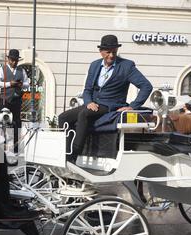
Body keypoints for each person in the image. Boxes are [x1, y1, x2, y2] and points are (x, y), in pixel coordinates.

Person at [58, 34, 153, 162]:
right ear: (101, 52)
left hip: (111, 104)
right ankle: (65, 150)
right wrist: (89, 102)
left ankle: (74, 155)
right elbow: (87, 90)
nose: (112, 56)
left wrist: (132, 106)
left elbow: (146, 86)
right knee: (63, 117)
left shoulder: (127, 66)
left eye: (114, 52)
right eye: (108, 52)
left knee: (84, 114)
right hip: (94, 103)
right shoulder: (94, 65)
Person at [0, 49, 29, 153]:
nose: (14, 62)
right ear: (8, 59)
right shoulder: (2, 69)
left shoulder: (21, 71)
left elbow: (27, 83)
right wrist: (9, 84)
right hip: (4, 100)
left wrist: (21, 84)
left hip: (16, 101)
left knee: (17, 123)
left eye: (16, 61)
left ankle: (16, 148)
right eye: (12, 60)